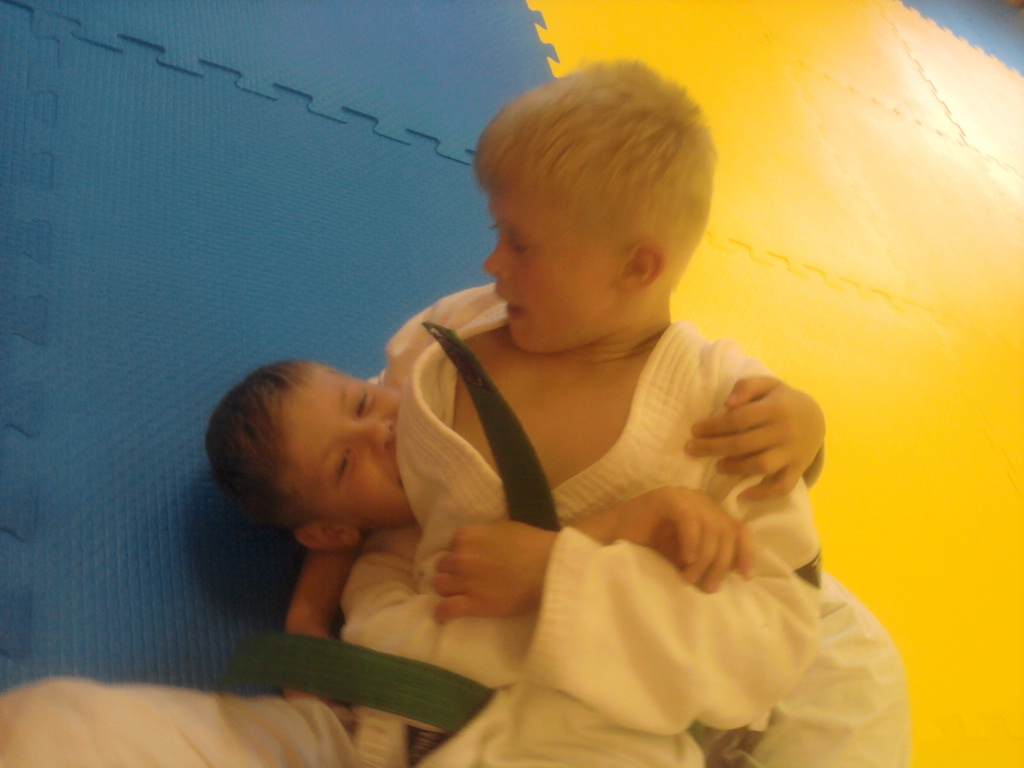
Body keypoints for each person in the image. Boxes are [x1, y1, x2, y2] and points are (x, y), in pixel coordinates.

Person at [0, 60, 909, 767]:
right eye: (495, 232)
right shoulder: (447, 342)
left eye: (521, 243)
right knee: (47, 734)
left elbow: (767, 647)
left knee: (857, 680)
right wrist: (312, 616)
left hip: (584, 742)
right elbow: (348, 463)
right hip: (375, 724)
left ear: (637, 267)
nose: (491, 265)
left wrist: (564, 575)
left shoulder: (727, 415)